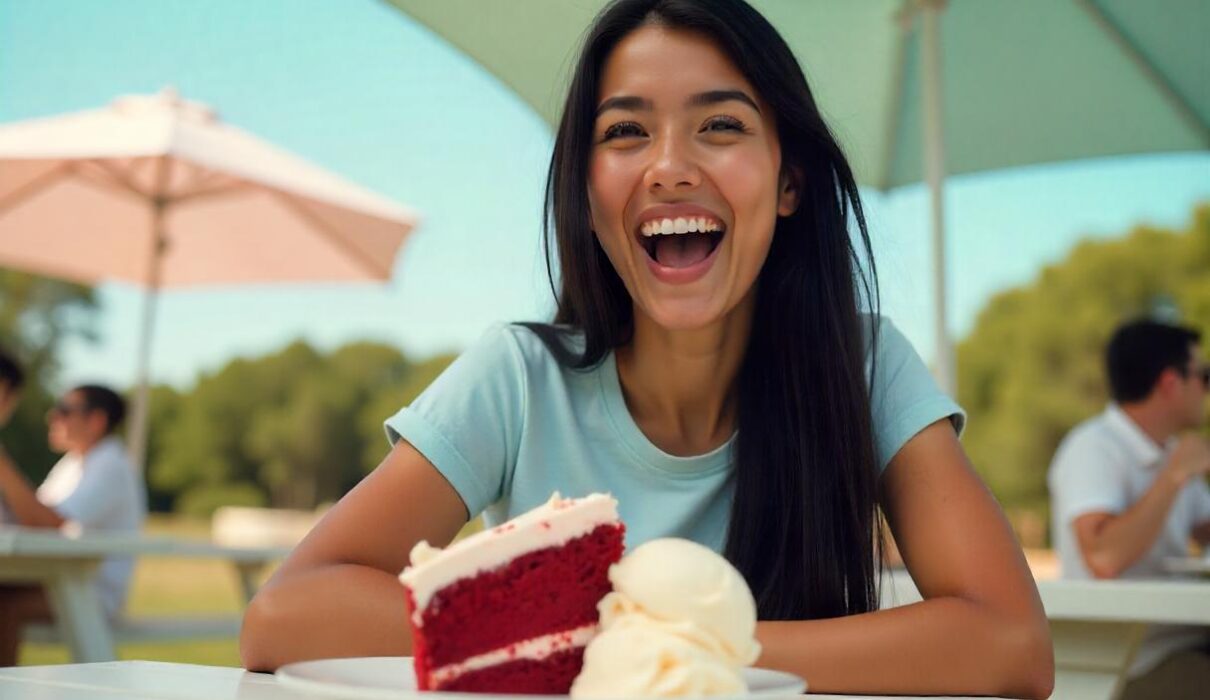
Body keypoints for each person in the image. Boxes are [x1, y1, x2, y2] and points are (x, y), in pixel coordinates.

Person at [241, 1, 1053, 695]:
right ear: (584, 186)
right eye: (625, 130)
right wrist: (613, 648)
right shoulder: (520, 378)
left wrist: (672, 649)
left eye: (721, 125)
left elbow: (1013, 645)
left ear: (789, 180)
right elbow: (286, 614)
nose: (669, 167)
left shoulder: (864, 366)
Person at [1048, 319, 1210, 697]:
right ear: (1171, 383)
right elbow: (1104, 557)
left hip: (1185, 638)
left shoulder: (1171, 451)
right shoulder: (1092, 447)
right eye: (1204, 376)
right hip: (1128, 661)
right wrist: (1173, 478)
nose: (1206, 389)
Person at [0, 380, 146, 666]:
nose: (52, 417)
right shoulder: (72, 463)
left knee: (4, 603)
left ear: (96, 420)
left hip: (89, 591)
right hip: (58, 579)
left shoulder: (110, 464)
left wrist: (3, 467)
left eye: (64, 410)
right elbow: (29, 518)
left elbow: (49, 522)